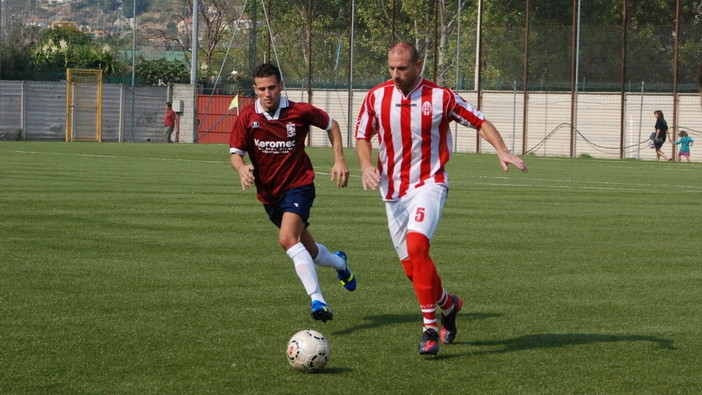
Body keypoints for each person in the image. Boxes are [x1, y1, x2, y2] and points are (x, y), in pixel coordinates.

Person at [355, 42, 527, 355]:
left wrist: (501, 148)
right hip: (392, 191)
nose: (396, 74)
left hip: (429, 183)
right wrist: (366, 164)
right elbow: (363, 136)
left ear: (418, 65)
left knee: (418, 246)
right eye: (391, 68)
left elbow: (480, 121)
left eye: (403, 68)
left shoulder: (441, 96)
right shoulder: (376, 96)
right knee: (412, 269)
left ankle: (429, 328)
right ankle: (449, 304)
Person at [229, 63, 355, 323]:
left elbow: (332, 125)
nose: (267, 93)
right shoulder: (247, 116)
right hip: (269, 195)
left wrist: (339, 160)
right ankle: (341, 264)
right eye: (262, 89)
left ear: (281, 86)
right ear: (255, 90)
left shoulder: (299, 111)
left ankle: (317, 300)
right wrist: (241, 169)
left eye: (272, 87)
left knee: (287, 239)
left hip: (299, 185)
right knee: (310, 252)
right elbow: (235, 154)